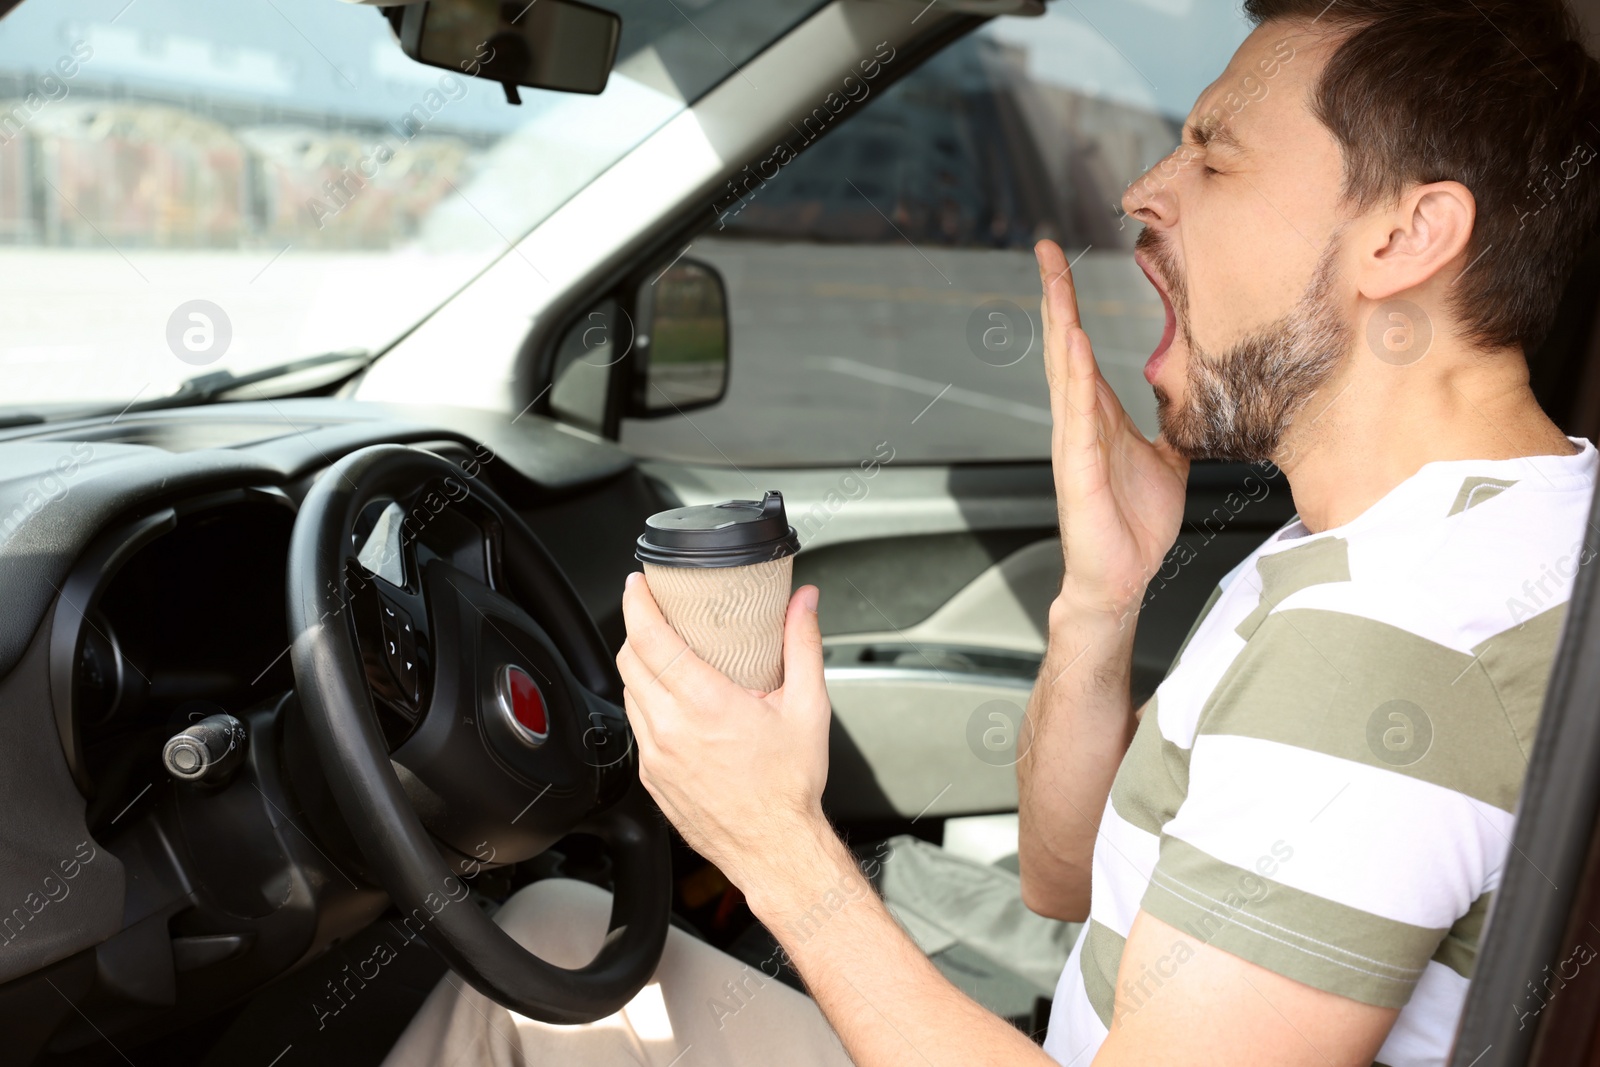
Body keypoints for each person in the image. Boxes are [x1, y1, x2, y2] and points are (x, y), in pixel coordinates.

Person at [384, 1, 1600, 1063]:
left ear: (1405, 236)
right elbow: (1063, 878)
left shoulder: (1388, 642)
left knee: (533, 978)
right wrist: (1102, 594)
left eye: (1214, 160)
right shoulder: (1439, 538)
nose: (1143, 191)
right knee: (553, 935)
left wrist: (775, 845)